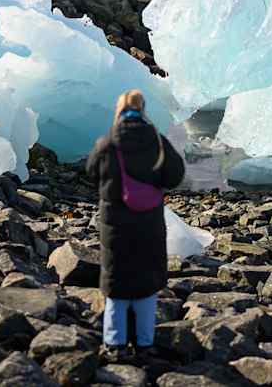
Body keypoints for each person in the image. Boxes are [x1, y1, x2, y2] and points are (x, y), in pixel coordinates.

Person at [86, 90, 185, 362]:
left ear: (119, 109)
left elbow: (91, 172)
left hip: (114, 220)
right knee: (146, 279)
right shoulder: (157, 141)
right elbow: (176, 175)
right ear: (143, 109)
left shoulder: (108, 142)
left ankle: (114, 343)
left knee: (116, 280)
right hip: (149, 220)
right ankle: (144, 344)